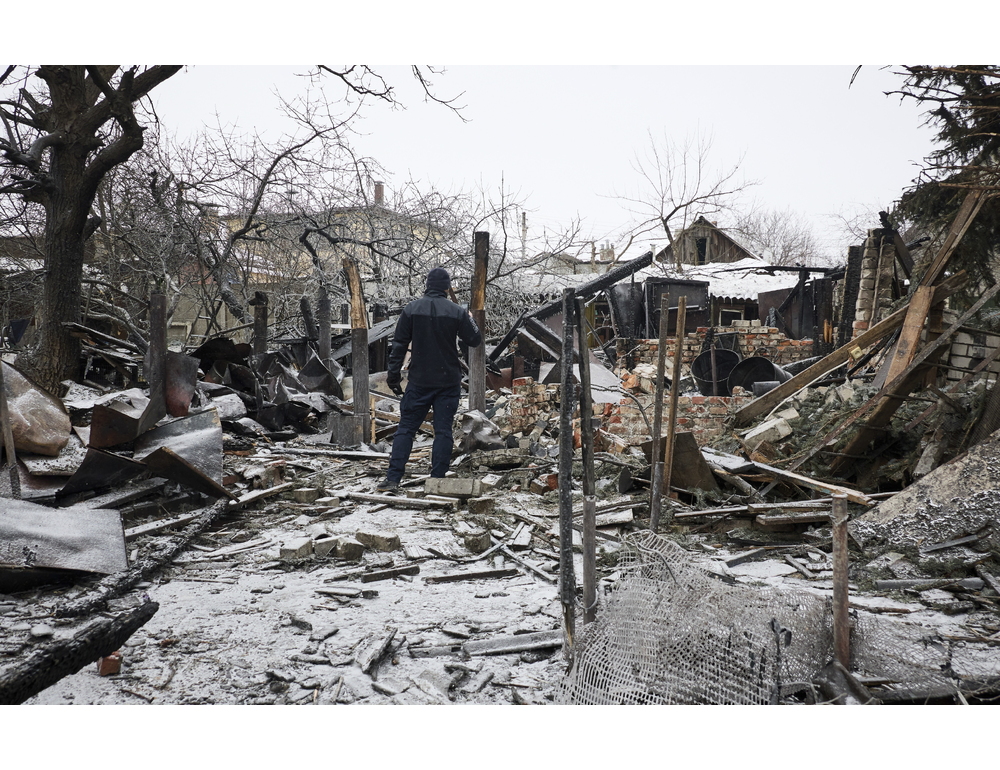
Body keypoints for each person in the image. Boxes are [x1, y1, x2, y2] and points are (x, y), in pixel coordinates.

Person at [378, 267, 482, 491]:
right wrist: (470, 319)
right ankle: (437, 480)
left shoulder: (411, 309)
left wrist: (393, 376)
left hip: (419, 381)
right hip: (448, 381)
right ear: (447, 287)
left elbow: (398, 345)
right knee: (443, 431)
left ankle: (393, 479)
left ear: (427, 285)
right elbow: (475, 340)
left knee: (406, 429)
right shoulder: (457, 312)